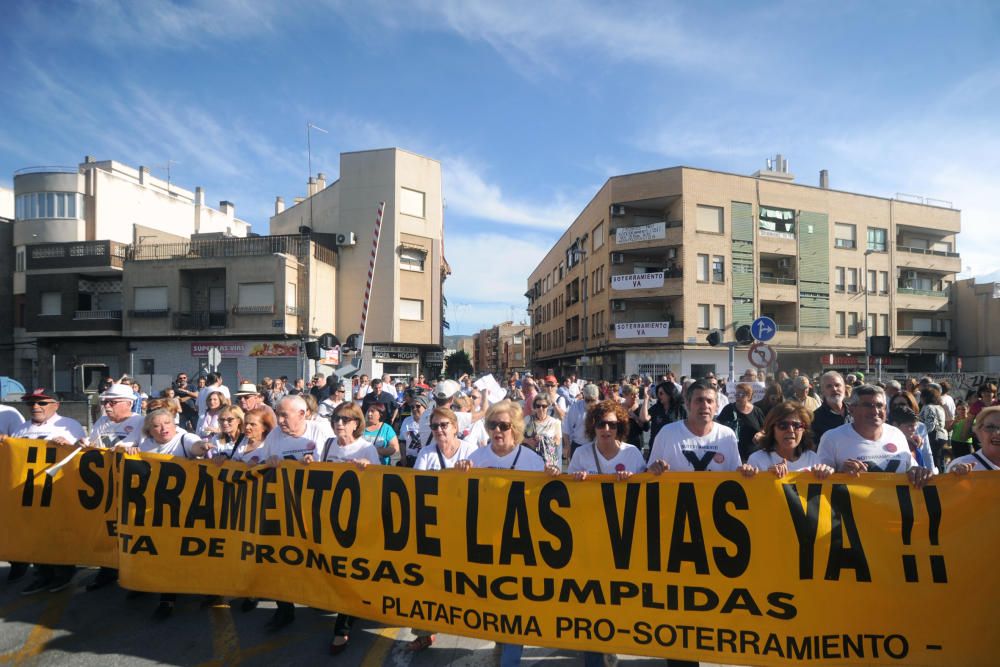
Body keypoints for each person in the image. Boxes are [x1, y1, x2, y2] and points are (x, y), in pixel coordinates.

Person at [455, 400, 544, 666]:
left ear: (515, 429)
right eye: (493, 425)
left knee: (515, 604)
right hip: (484, 545)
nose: (498, 430)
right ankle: (501, 642)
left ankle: (510, 656)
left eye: (504, 425)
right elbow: (458, 499)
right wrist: (459, 477)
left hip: (518, 546)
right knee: (492, 603)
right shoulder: (476, 459)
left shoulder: (532, 461)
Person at [124, 409, 210, 619]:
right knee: (163, 552)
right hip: (159, 510)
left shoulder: (184, 438)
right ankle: (166, 597)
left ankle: (208, 589)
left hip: (188, 508)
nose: (163, 429)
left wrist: (202, 447)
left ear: (174, 424)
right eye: (156, 425)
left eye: (167, 423)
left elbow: (195, 446)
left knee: (191, 552)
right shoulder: (146, 445)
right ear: (149, 430)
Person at [12, 389, 86, 595]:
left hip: (57, 489)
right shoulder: (21, 428)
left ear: (55, 405)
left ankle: (63, 572)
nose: (35, 407)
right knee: (35, 535)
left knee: (58, 532)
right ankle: (42, 574)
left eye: (41, 403)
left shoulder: (69, 425)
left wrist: (69, 444)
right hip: (28, 491)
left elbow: (82, 453)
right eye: (31, 403)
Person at [324, 402, 382, 655]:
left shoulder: (367, 448)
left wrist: (368, 471)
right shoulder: (328, 445)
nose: (339, 423)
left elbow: (382, 482)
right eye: (336, 418)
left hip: (359, 521)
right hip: (331, 519)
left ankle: (342, 627)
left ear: (356, 423)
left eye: (345, 419)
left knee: (351, 570)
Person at [816, 385, 933, 488]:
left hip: (895, 511)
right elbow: (819, 481)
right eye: (868, 405)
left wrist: (918, 472)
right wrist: (840, 474)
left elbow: (911, 469)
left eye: (880, 405)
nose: (875, 411)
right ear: (852, 409)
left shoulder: (897, 434)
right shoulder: (832, 438)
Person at [648, 381, 742, 474]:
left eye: (710, 401)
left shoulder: (727, 435)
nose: (705, 405)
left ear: (716, 406)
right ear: (687, 404)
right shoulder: (667, 433)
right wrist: (653, 470)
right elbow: (648, 474)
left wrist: (746, 472)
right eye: (699, 400)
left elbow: (737, 475)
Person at [738, 402, 833, 478]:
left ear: (804, 430)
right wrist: (768, 477)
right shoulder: (757, 460)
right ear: (772, 429)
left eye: (797, 425)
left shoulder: (813, 458)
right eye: (783, 425)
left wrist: (825, 473)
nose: (790, 430)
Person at [716, 382, 766, 462]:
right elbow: (717, 426)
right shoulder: (728, 409)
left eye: (741, 394)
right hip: (732, 454)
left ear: (749, 396)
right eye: (736, 393)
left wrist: (760, 434)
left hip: (753, 457)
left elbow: (765, 428)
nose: (737, 396)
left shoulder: (757, 411)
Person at [948, 406, 1000, 473]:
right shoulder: (962, 464)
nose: (997, 433)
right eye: (990, 427)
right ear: (978, 432)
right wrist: (953, 478)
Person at [888, 407, 937, 474]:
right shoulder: (883, 445)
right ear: (895, 425)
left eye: (915, 426)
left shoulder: (915, 447)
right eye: (909, 426)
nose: (914, 429)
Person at [561, 383, 599, 462]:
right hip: (578, 445)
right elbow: (566, 428)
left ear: (597, 397)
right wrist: (567, 446)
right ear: (583, 397)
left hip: (597, 446)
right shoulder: (575, 408)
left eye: (593, 400)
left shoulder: (602, 408)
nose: (590, 403)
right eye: (587, 400)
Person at [524, 393, 563, 467]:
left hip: (547, 461)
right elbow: (518, 438)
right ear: (534, 407)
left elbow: (557, 441)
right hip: (529, 458)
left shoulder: (555, 422)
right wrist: (528, 441)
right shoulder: (527, 419)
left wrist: (543, 440)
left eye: (544, 406)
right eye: (538, 406)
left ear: (548, 407)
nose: (541, 409)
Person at [811, 371, 849, 443]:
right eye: (829, 386)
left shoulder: (855, 412)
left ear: (844, 388)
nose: (834, 389)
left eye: (837, 385)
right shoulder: (815, 418)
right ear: (822, 391)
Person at [648, 381, 687, 449]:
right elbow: (644, 418)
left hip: (675, 447)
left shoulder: (681, 408)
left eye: (661, 393)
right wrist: (646, 398)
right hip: (657, 447)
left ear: (669, 393)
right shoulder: (656, 407)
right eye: (658, 393)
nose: (659, 396)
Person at [918, 385, 948, 469]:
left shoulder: (928, 407)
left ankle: (937, 479)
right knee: (941, 459)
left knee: (935, 461)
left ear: (924, 397)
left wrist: (923, 434)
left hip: (933, 436)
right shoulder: (939, 407)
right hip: (942, 435)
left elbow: (930, 425)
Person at [399, 395, 431, 466]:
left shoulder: (431, 421)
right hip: (410, 460)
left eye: (418, 406)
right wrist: (403, 457)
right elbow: (402, 441)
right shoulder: (407, 421)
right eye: (412, 407)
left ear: (425, 407)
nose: (414, 409)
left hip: (426, 460)